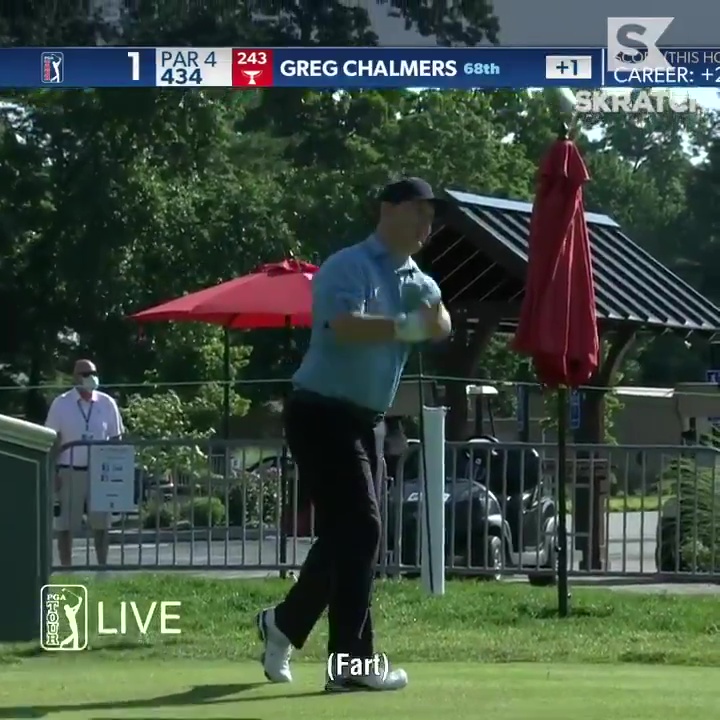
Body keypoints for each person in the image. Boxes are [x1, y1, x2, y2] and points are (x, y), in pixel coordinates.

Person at [256, 177, 452, 692]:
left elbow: (443, 322)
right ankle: (351, 664)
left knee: (348, 534)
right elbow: (345, 324)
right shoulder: (348, 265)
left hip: (367, 420)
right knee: (362, 528)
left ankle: (285, 623)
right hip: (319, 412)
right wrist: (410, 326)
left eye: (431, 216)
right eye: (417, 211)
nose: (425, 224)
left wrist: (421, 321)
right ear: (386, 209)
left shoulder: (417, 277)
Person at [45, 358, 124, 567]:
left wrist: (117, 472)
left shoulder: (107, 403)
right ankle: (66, 568)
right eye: (86, 374)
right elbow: (52, 440)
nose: (91, 378)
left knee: (101, 525)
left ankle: (102, 567)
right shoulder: (61, 404)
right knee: (66, 526)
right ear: (75, 377)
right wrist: (52, 473)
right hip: (69, 470)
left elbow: (116, 438)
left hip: (101, 473)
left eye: (93, 373)